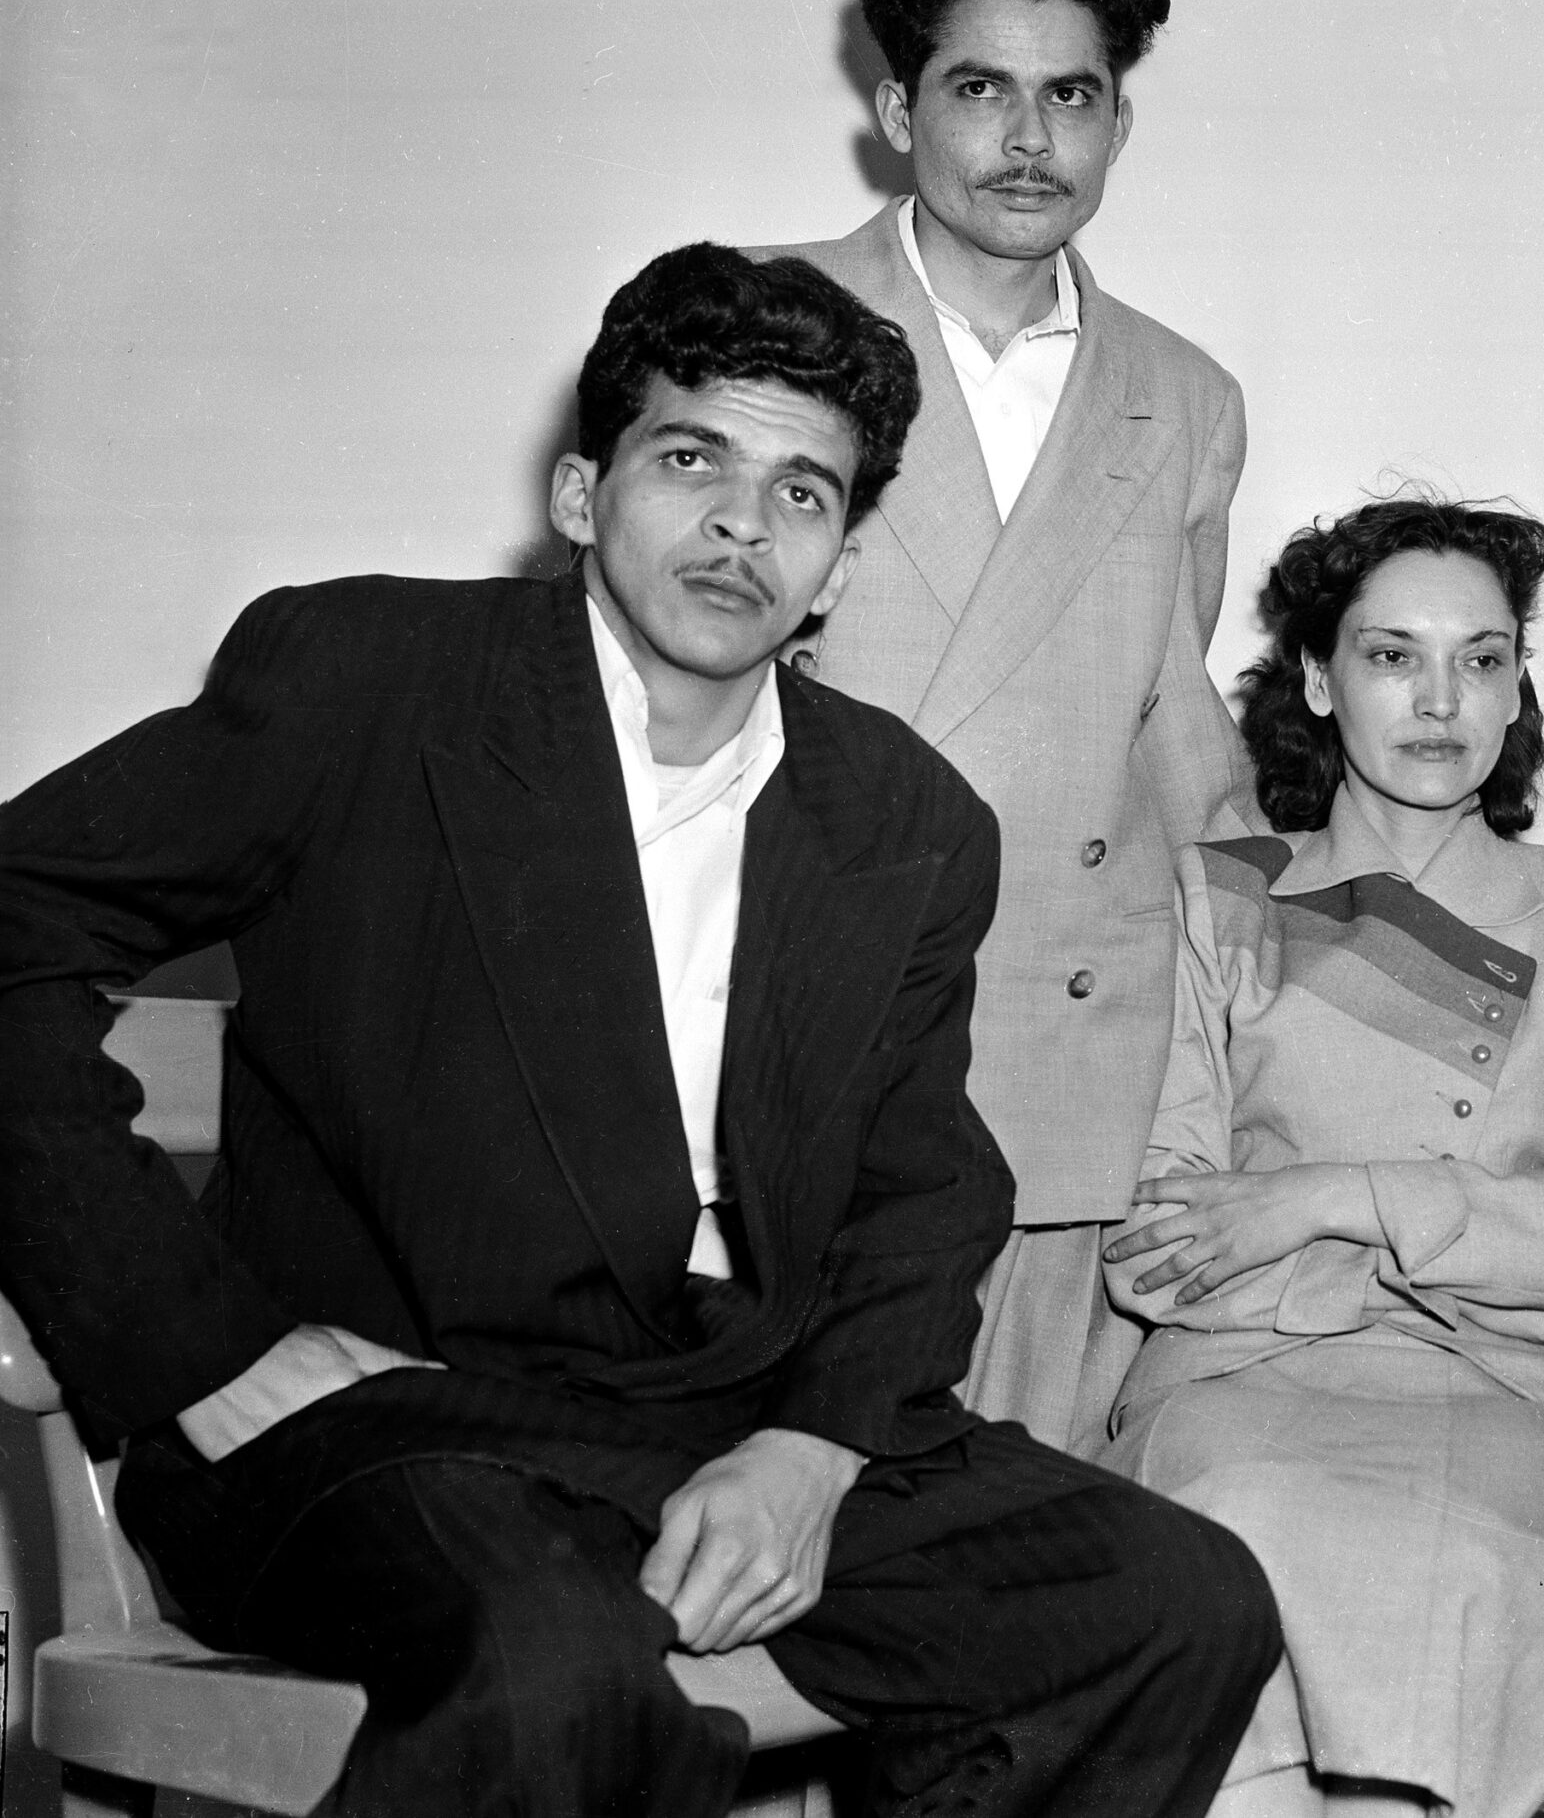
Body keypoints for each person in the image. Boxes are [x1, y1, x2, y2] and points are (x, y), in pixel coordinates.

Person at [0, 242, 1279, 1818]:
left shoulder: (905, 817)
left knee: (1170, 1601)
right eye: (692, 462)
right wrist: (194, 1349)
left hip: (722, 1412)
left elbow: (925, 1188)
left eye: (803, 492)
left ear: (841, 565)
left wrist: (814, 1450)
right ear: (580, 494)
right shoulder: (368, 683)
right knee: (559, 1667)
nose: (745, 524)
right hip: (375, 1417)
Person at [1096, 498, 1544, 1818]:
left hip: (1504, 1407)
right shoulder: (1218, 898)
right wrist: (1499, 1247)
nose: (1442, 700)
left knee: (1438, 1581)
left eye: (1482, 659)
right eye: (1392, 656)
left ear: (1516, 685)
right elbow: (1157, 1246)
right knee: (1220, 1561)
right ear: (1321, 681)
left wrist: (1320, 1202)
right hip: (1231, 1391)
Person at [754, 0, 1253, 1454]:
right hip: (797, 1017)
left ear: (1118, 124)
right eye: (981, 88)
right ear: (901, 109)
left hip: (1074, 1068)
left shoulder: (1184, 395)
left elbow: (1172, 722)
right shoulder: (757, 325)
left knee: (1026, 1524)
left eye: (1072, 96)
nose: (1030, 139)